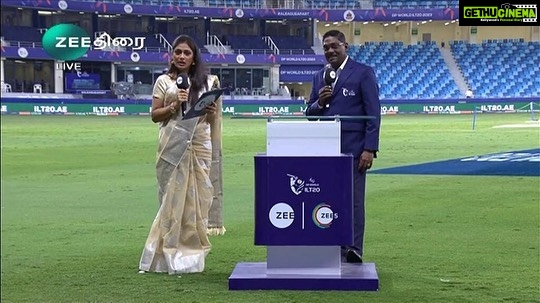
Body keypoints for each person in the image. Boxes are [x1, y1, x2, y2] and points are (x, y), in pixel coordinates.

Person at [139, 34, 224, 275]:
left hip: (199, 146)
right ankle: (163, 256)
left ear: (195, 58)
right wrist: (174, 105)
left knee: (197, 203)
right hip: (172, 147)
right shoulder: (163, 82)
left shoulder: (208, 83)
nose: (182, 56)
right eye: (178, 52)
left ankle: (191, 259)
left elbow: (210, 120)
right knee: (171, 201)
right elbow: (155, 115)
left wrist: (209, 111)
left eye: (187, 53)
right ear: (172, 55)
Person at [305, 30, 381, 263]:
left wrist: (369, 148)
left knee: (355, 200)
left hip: (355, 149)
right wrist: (321, 102)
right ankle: (333, 244)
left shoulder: (363, 73)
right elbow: (310, 113)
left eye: (334, 46)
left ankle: (354, 248)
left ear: (345, 46)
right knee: (328, 198)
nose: (330, 51)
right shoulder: (320, 76)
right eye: (326, 47)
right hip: (326, 150)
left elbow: (373, 113)